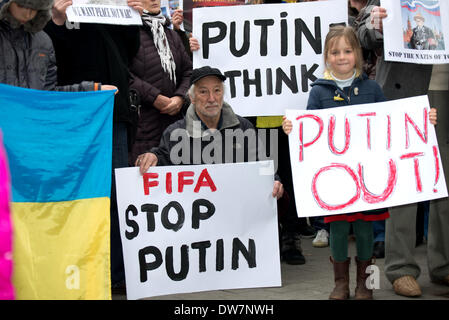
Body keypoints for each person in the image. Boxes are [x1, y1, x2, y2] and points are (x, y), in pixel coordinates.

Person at [283, 26, 392, 300]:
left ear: (357, 53)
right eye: (335, 52)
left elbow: (390, 125)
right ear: (326, 57)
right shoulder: (318, 92)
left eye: (347, 50)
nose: (341, 56)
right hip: (334, 178)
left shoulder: (373, 88)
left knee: (366, 228)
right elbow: (310, 128)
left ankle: (366, 284)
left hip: (368, 176)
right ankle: (340, 283)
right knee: (339, 229)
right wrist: (292, 128)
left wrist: (423, 121)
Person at [46, 0, 144, 292]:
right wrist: (57, 20)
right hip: (74, 115)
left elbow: (129, 54)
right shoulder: (60, 12)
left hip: (112, 113)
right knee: (79, 194)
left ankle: (114, 272)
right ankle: (77, 270)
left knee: (113, 194)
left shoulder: (108, 10)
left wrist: (132, 20)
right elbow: (49, 57)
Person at [356, 2, 448, 298]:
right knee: (405, 181)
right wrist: (376, 24)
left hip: (444, 89)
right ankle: (401, 268)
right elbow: (360, 32)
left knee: (445, 180)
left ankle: (444, 265)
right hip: (403, 90)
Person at [136, 65, 284, 200]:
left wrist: (274, 182)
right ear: (192, 98)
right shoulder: (175, 132)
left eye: (217, 91)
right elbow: (162, 161)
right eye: (203, 92)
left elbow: (262, 164)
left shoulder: (243, 127)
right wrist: (152, 157)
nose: (211, 98)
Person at [128, 0, 192, 166]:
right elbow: (124, 74)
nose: (154, 0)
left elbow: (188, 71)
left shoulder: (170, 35)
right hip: (142, 126)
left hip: (174, 122)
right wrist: (155, 98)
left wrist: (179, 98)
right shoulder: (128, 33)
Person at [0, 0, 114, 92]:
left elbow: (49, 94)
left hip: (31, 118)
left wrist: (92, 90)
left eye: (35, 8)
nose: (27, 13)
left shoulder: (43, 41)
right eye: (22, 5)